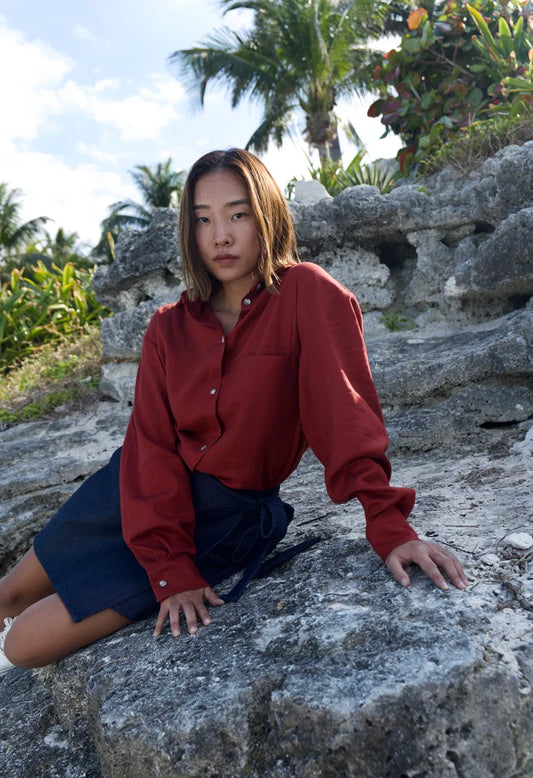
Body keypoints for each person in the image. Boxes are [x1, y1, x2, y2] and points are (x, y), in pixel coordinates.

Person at [0, 148, 468, 674]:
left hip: (224, 518)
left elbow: (347, 418)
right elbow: (150, 444)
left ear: (265, 214)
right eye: (203, 220)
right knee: (9, 594)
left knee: (22, 645)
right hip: (134, 488)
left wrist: (390, 526)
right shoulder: (167, 326)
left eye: (238, 214)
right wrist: (166, 563)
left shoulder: (309, 295)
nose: (220, 235)